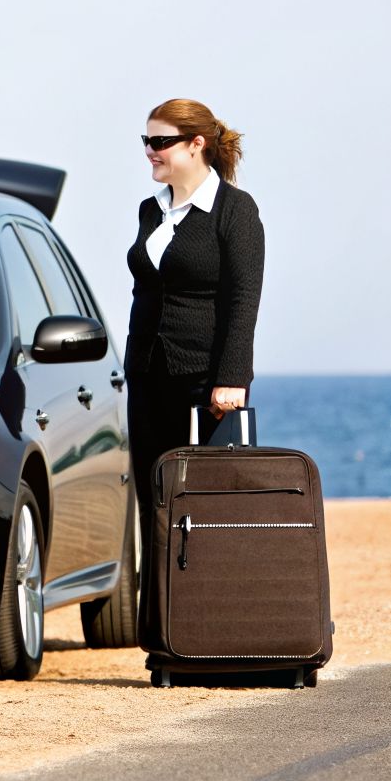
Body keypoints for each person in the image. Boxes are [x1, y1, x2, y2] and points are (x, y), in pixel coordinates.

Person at [125, 98, 264, 519]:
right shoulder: (151, 210)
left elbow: (244, 298)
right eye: (146, 140)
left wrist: (233, 378)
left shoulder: (235, 210)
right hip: (147, 376)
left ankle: (207, 589)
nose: (151, 149)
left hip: (206, 383)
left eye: (161, 141)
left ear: (196, 145)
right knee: (154, 502)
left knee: (208, 506)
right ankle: (157, 589)